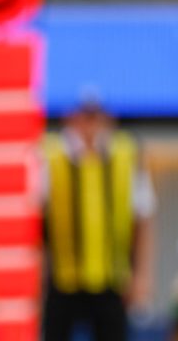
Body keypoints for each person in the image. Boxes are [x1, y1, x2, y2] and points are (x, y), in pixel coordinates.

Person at [42, 100, 156, 341]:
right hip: (63, 279)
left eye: (95, 117)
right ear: (70, 118)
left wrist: (141, 276)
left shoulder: (127, 154)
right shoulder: (48, 155)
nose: (90, 125)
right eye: (84, 117)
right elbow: (35, 220)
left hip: (112, 278)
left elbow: (142, 219)